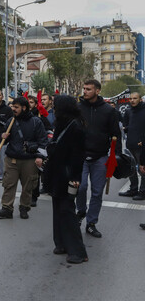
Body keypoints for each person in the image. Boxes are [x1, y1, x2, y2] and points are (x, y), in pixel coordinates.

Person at [42, 95, 88, 264]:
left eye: (56, 105)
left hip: (68, 176)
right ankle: (61, 243)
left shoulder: (75, 127)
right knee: (58, 210)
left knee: (68, 211)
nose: (53, 108)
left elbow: (78, 155)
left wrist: (75, 178)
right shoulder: (64, 123)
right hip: (58, 174)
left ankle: (78, 251)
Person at [76, 79, 121, 238]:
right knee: (80, 188)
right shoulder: (78, 108)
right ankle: (81, 211)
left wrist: (116, 157)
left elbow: (116, 134)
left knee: (97, 192)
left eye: (88, 89)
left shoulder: (109, 111)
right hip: (81, 156)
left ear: (97, 91)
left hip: (100, 157)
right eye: (84, 88)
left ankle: (91, 222)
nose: (85, 91)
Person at [0, 97, 47, 219]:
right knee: (8, 184)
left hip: (29, 159)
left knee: (28, 186)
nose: (13, 109)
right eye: (12, 106)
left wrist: (39, 157)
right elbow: (4, 138)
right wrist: (3, 136)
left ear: (24, 108)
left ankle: (24, 207)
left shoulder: (36, 122)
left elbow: (43, 141)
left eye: (16, 107)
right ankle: (7, 208)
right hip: (12, 158)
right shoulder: (11, 121)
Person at [120, 92, 145, 200]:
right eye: (130, 98)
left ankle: (143, 192)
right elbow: (126, 126)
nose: (132, 100)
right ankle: (133, 189)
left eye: (135, 98)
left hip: (141, 146)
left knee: (142, 169)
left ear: (140, 99)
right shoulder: (128, 111)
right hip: (130, 145)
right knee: (131, 168)